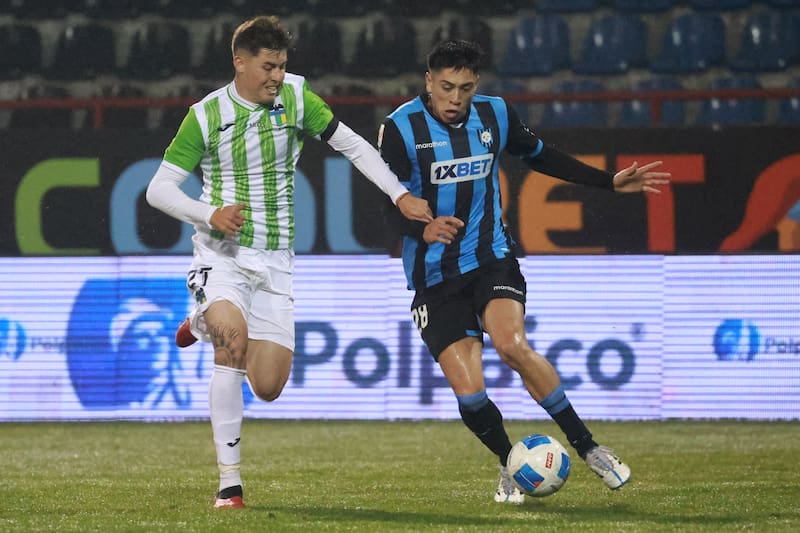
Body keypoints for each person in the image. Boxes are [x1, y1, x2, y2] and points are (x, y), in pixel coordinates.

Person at [145, 15, 432, 509]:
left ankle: (200, 320)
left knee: (269, 386)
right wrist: (209, 214)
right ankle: (229, 484)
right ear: (240, 62)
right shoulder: (206, 115)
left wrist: (399, 193)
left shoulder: (297, 97)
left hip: (276, 259)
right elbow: (158, 190)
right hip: (223, 254)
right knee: (232, 345)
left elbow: (352, 145)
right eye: (268, 67)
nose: (277, 76)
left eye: (281, 66)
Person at [378, 39, 671, 504]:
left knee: (512, 344)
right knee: (470, 394)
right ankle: (509, 462)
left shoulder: (494, 113)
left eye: (466, 89)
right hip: (434, 278)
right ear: (429, 81)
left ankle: (590, 447)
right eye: (447, 87)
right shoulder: (399, 128)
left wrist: (607, 182)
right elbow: (383, 204)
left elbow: (541, 154)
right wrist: (422, 229)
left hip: (491, 256)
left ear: (477, 85)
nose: (456, 99)